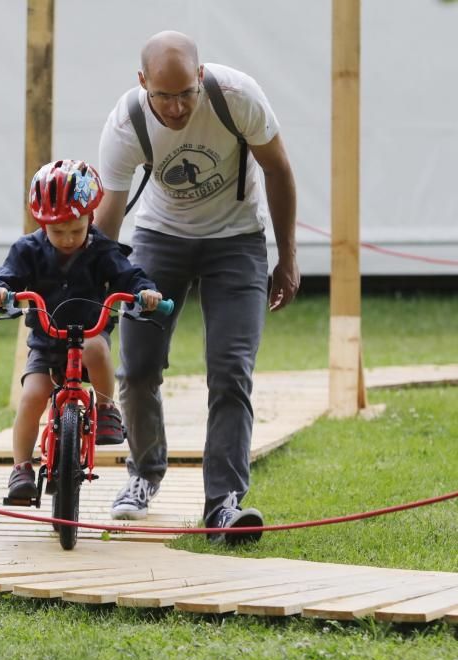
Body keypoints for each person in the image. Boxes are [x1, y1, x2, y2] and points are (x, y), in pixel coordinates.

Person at [93, 31, 299, 544]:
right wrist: (93, 289)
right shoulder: (126, 124)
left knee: (230, 370)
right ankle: (143, 474)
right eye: (164, 96)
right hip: (161, 237)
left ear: (201, 76)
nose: (178, 106)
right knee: (137, 367)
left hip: (237, 239)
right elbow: (109, 221)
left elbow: (279, 169)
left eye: (187, 92)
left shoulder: (238, 97)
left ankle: (224, 504)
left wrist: (287, 256)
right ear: (143, 85)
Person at [0, 160, 163, 500]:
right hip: (46, 342)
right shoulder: (27, 250)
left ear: (91, 219)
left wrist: (144, 292)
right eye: (57, 231)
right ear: (42, 223)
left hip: (88, 336)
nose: (67, 239)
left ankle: (107, 408)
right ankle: (21, 468)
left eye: (76, 230)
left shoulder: (102, 250)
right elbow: (6, 277)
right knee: (32, 397)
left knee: (96, 349)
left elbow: (129, 275)